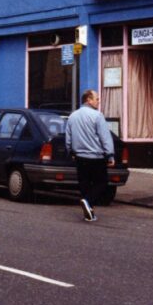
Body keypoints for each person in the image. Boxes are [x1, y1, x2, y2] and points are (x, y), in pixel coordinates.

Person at [65, 89, 114, 222]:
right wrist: (110, 154)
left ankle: (89, 213)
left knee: (84, 184)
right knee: (101, 183)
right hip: (96, 157)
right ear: (89, 100)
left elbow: (68, 138)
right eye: (96, 99)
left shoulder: (72, 116)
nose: (99, 101)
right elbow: (105, 137)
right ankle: (88, 202)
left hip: (80, 157)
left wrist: (71, 151)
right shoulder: (97, 116)